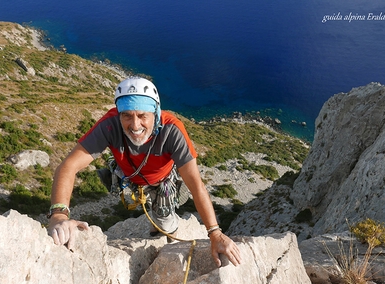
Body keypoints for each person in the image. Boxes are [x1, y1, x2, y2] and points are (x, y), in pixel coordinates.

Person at [47, 76, 241, 267]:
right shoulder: (109, 125)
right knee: (134, 203)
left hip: (160, 181)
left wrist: (215, 233)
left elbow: (196, 185)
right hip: (129, 177)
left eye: (142, 116)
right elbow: (68, 167)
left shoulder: (172, 130)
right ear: (118, 114)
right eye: (127, 115)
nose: (135, 125)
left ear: (155, 114)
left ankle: (162, 227)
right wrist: (59, 215)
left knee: (165, 225)